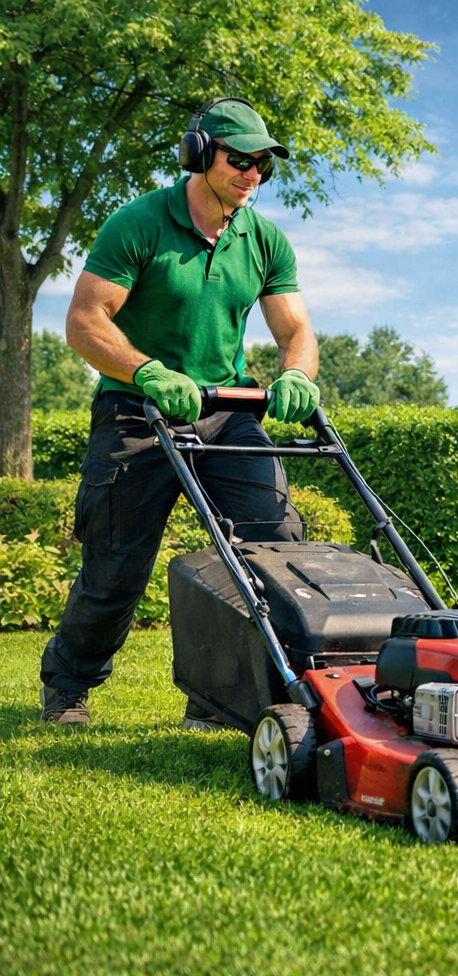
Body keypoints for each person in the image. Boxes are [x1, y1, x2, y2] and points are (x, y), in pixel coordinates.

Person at [39, 97, 322, 728]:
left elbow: (296, 327)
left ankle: (221, 697)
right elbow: (85, 322)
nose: (252, 174)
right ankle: (67, 685)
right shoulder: (138, 223)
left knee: (274, 547)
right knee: (116, 565)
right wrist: (145, 370)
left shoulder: (265, 239)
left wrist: (298, 371)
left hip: (225, 411)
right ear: (199, 154)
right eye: (240, 159)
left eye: (263, 165)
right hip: (137, 410)